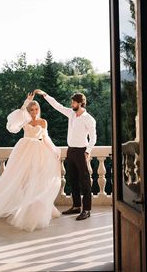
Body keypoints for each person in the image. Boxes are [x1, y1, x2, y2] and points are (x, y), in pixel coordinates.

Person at [0, 93, 61, 232]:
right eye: (32, 109)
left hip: (39, 151)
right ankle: (19, 206)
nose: (34, 112)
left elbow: (46, 138)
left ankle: (33, 209)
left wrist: (54, 150)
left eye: (36, 109)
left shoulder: (43, 122)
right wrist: (26, 102)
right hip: (24, 150)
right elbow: (13, 122)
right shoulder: (24, 120)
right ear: (28, 110)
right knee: (20, 179)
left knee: (37, 180)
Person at [34, 89, 97, 220]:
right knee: (72, 179)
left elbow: (93, 138)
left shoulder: (89, 119)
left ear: (80, 103)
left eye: (73, 102)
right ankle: (76, 206)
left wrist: (87, 151)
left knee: (84, 181)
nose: (71, 104)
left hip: (81, 152)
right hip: (71, 151)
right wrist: (45, 95)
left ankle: (86, 210)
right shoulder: (71, 114)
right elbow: (58, 106)